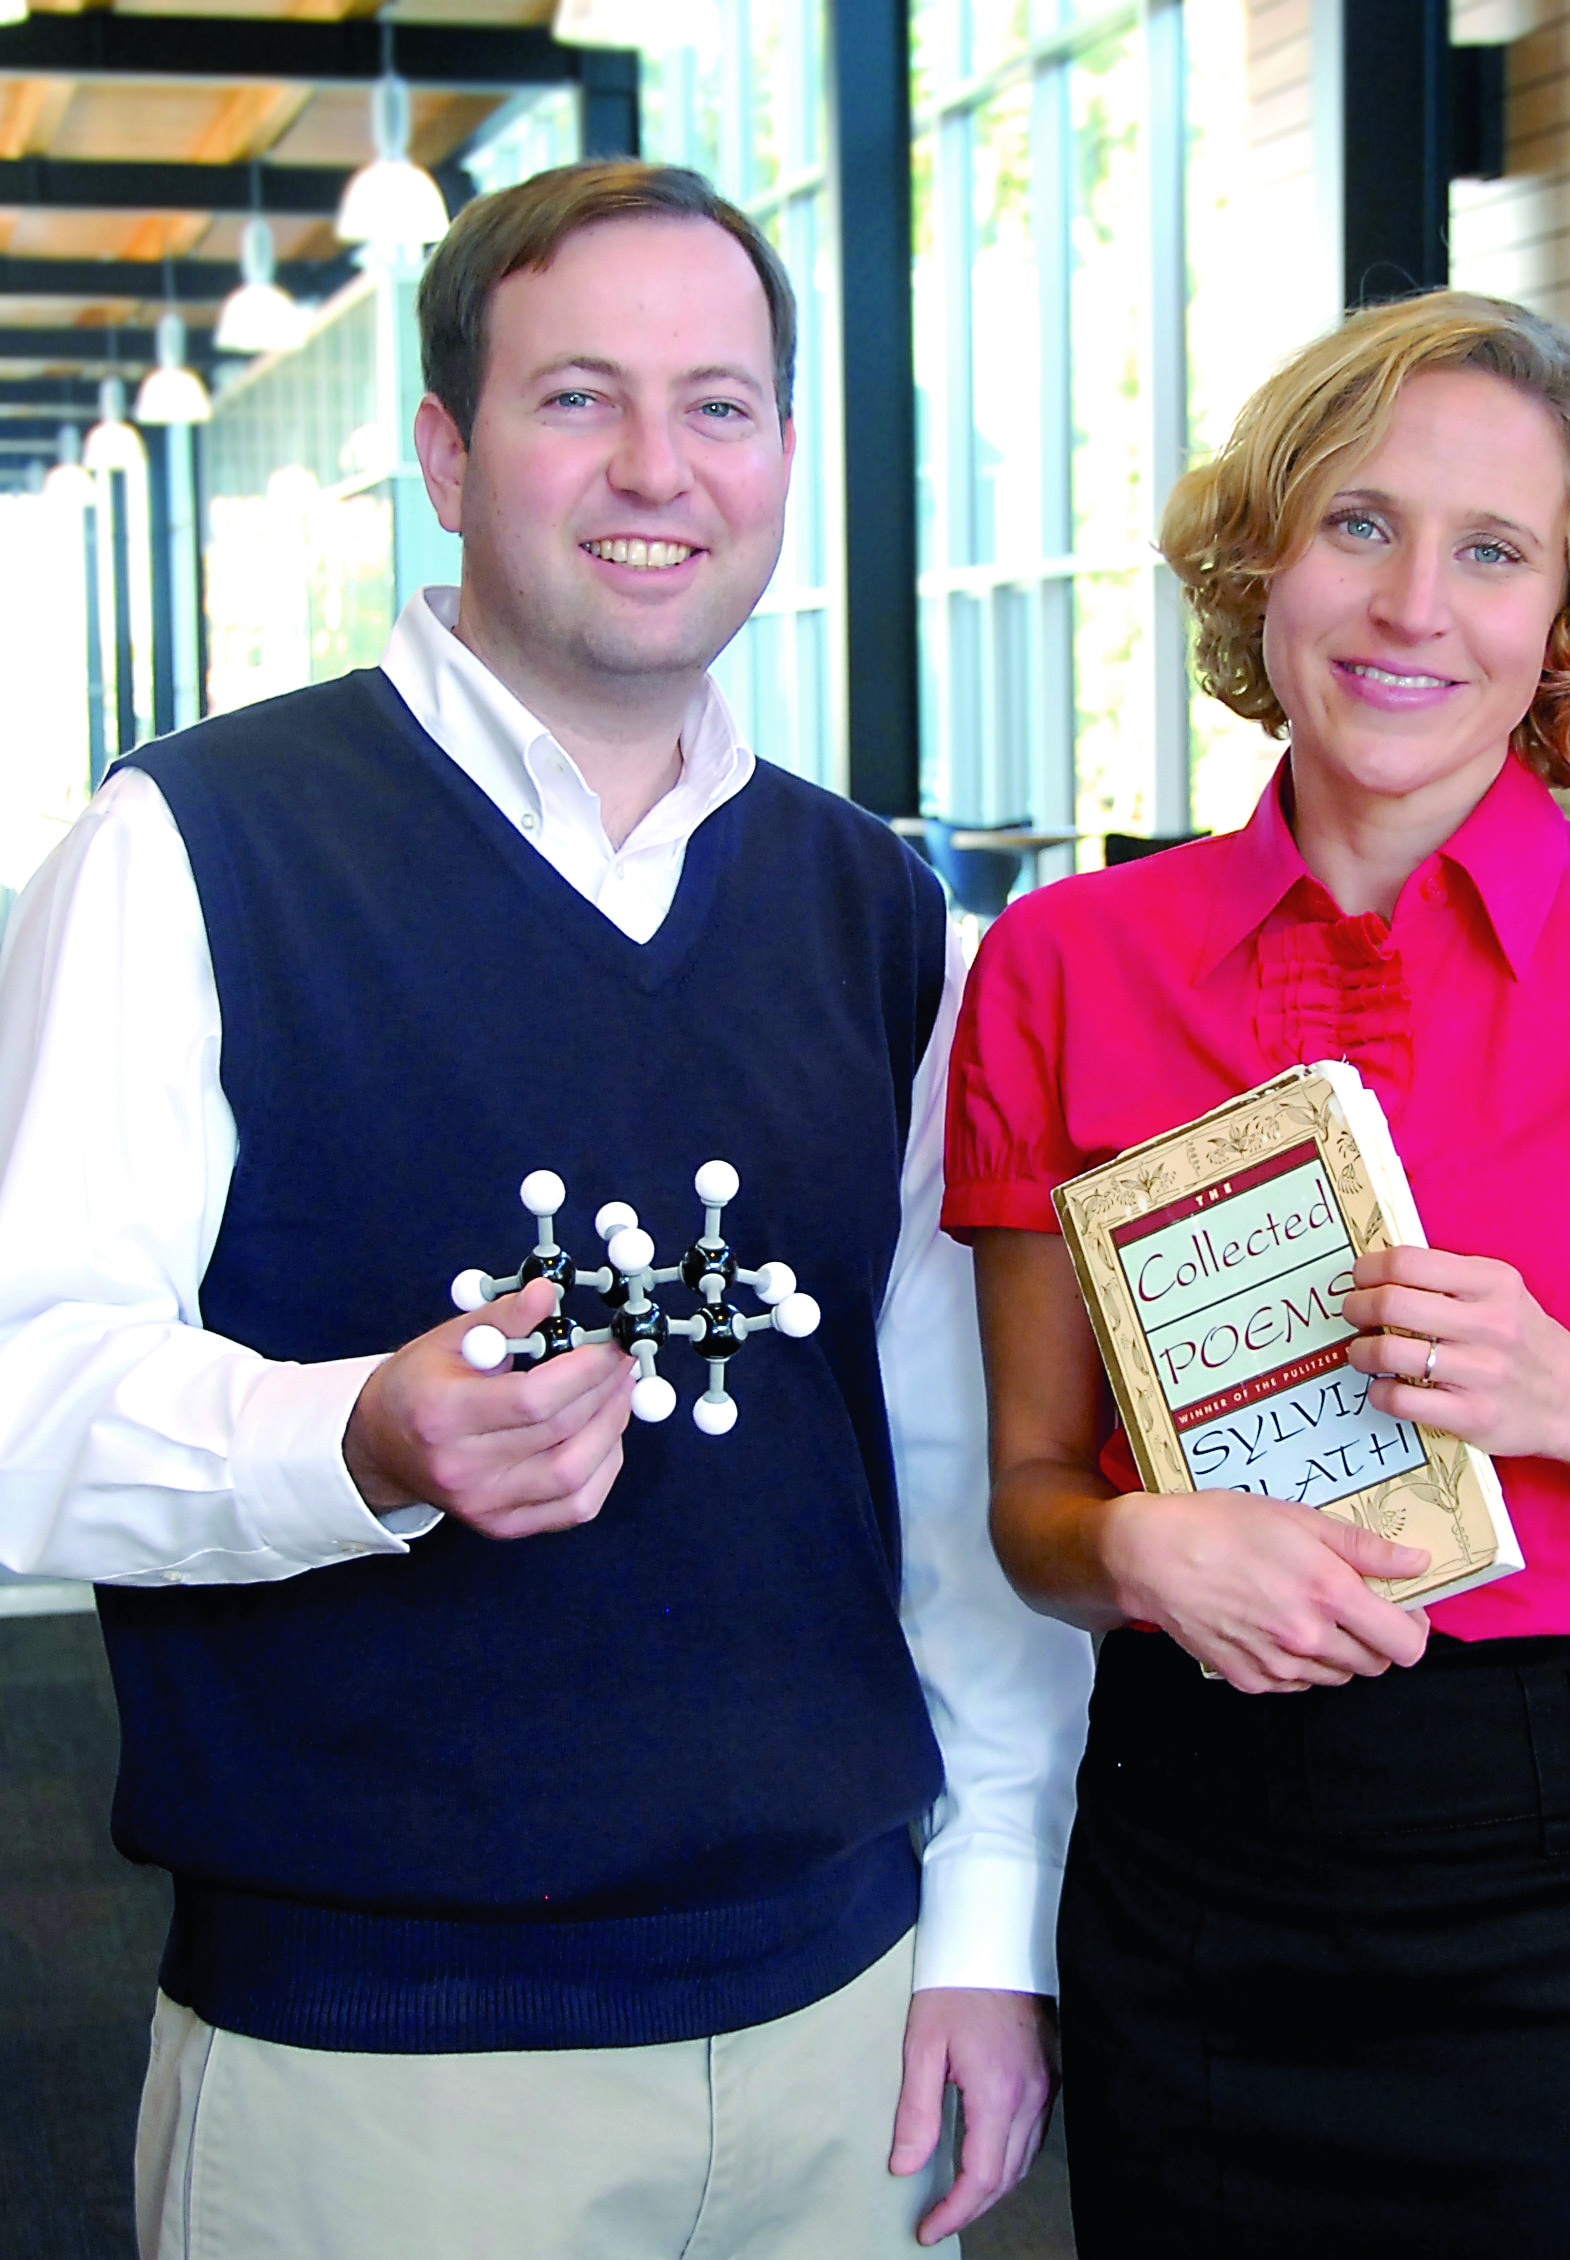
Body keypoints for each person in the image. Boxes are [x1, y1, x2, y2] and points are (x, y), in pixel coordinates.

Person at [0, 162, 1091, 2260]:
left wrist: (986, 1917)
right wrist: (353, 1440)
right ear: (445, 453)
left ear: (784, 454)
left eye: (719, 404)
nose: (656, 467)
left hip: (841, 2016)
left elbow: (954, 1473)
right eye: (577, 396)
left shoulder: (881, 918)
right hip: (382, 2061)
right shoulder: (192, 848)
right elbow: (23, 1399)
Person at [941, 291, 1570, 2258]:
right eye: (1358, 522)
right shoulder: (1064, 967)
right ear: (1264, 555)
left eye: (1494, 551)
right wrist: (1125, 1545)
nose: (1411, 606)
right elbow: (1028, 1504)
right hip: (1200, 1848)